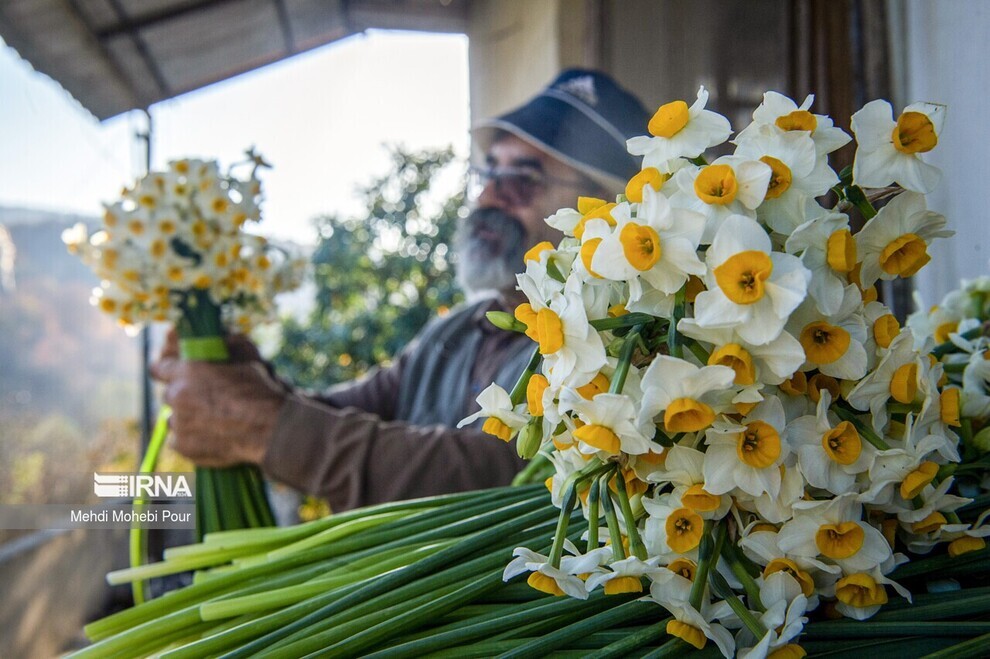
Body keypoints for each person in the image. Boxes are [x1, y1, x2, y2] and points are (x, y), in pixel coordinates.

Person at [152, 69, 650, 511]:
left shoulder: (613, 350)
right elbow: (357, 408)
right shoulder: (461, 328)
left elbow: (498, 474)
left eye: (522, 179)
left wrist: (265, 426)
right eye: (489, 173)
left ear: (604, 209)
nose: (487, 196)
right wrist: (253, 383)